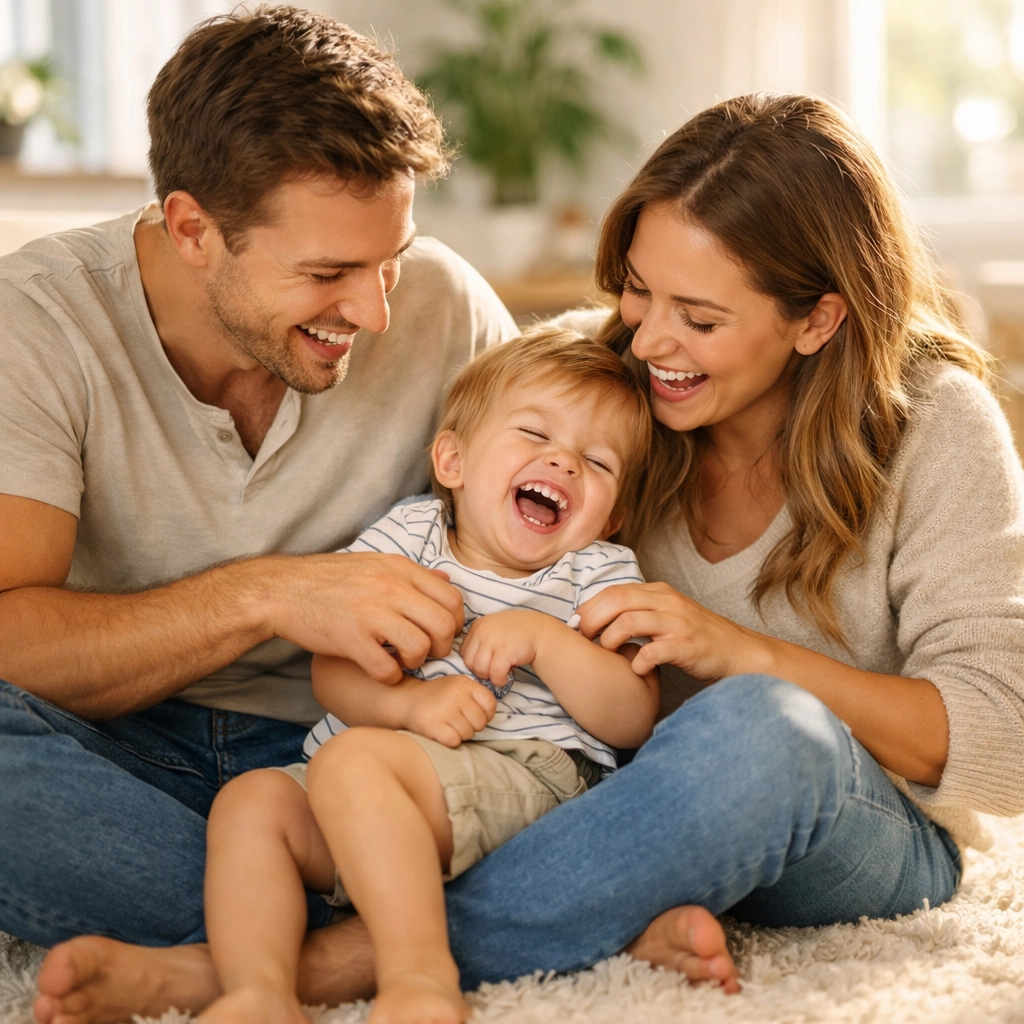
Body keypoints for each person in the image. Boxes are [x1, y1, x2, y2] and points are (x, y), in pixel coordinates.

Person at [33, 93, 1024, 1024]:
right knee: (326, 797)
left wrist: (739, 653)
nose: (651, 342)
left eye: (700, 318)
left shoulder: (933, 423)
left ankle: (299, 969)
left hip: (840, 820)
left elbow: (1005, 739)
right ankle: (585, 913)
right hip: (612, 817)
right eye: (638, 291)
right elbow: (471, 499)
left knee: (766, 728)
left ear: (817, 318)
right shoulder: (601, 389)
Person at [0, 2, 517, 1014]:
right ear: (193, 229)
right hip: (116, 748)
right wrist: (271, 595)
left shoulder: (445, 308)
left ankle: (250, 957)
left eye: (392, 258)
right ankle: (415, 929)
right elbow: (10, 636)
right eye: (327, 273)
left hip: (359, 762)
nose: (374, 310)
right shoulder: (40, 322)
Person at [197, 328, 659, 1024]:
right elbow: (333, 671)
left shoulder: (595, 571)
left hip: (526, 777)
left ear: (613, 515)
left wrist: (545, 641)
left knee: (354, 761)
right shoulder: (407, 538)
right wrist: (410, 708)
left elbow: (633, 717)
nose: (562, 462)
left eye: (597, 462)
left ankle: (420, 978)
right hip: (366, 791)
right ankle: (258, 992)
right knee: (250, 800)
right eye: (534, 433)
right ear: (453, 460)